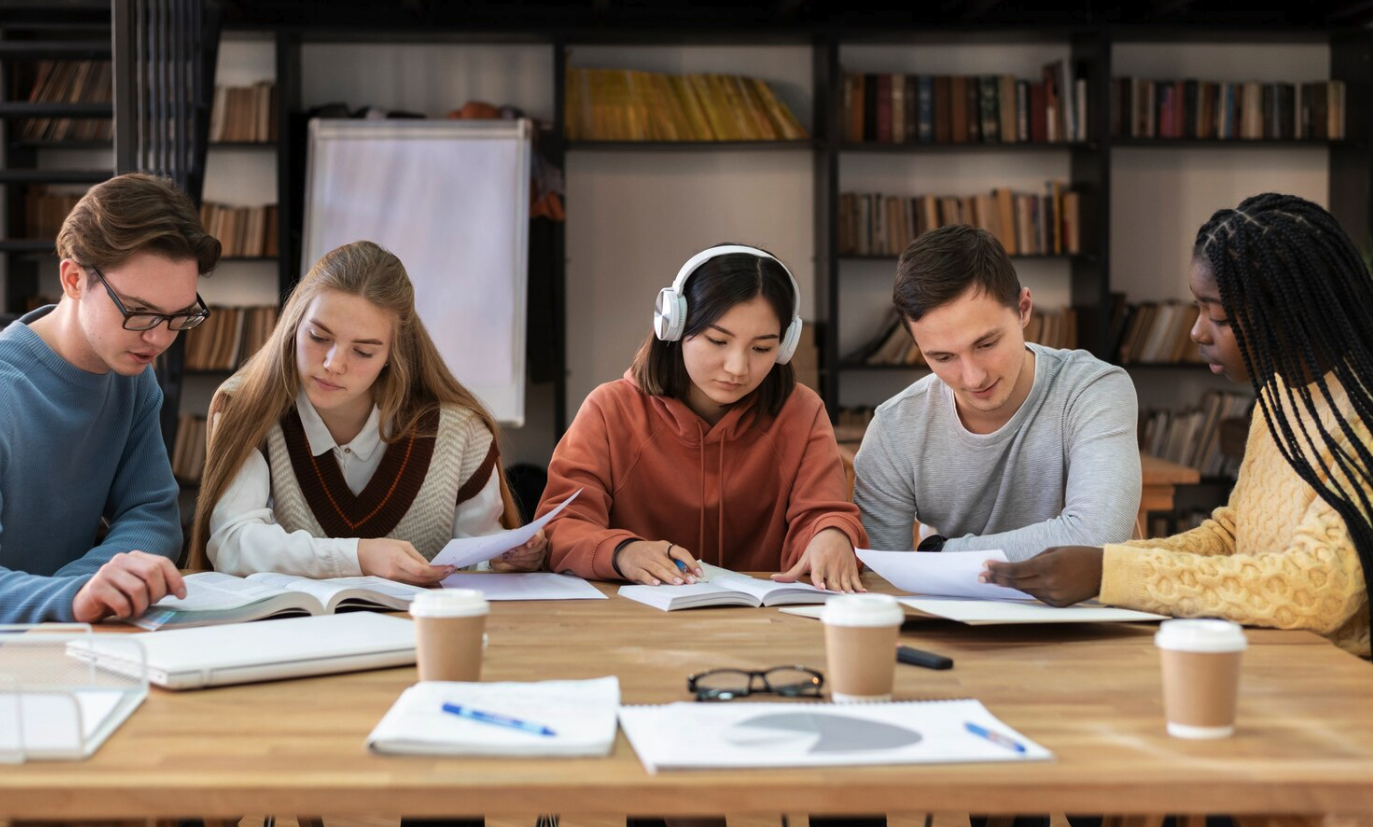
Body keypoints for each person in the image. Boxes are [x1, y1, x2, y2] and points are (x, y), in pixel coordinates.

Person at [984, 193, 1371, 659]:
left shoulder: (1361, 421)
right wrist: (1109, 563)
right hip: (1264, 661)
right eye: (1198, 308)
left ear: (1294, 313)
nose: (1197, 332)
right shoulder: (1279, 397)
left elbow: (1315, 591)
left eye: (1219, 317)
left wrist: (1112, 575)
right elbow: (1234, 536)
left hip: (1335, 686)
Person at [190, 240, 544, 582]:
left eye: (363, 352)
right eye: (318, 336)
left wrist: (506, 559)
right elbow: (232, 542)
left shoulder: (459, 431)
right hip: (287, 635)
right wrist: (359, 556)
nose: (333, 364)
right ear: (294, 324)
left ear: (394, 354)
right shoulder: (246, 406)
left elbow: (477, 559)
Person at [538, 243, 867, 591]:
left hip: (767, 625)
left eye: (762, 348)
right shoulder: (609, 410)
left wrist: (831, 534)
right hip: (636, 622)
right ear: (674, 326)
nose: (738, 368)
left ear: (784, 347)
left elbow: (821, 512)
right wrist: (622, 551)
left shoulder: (801, 412)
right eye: (717, 340)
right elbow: (560, 525)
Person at [0, 172, 219, 623]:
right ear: (74, 279)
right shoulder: (8, 390)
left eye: (178, 316)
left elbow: (154, 517)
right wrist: (74, 594)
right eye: (139, 313)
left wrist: (90, 588)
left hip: (73, 642)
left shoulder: (133, 379)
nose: (159, 338)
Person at [854, 224, 1141, 558]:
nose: (973, 378)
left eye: (986, 343)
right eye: (943, 357)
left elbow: (1098, 536)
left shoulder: (1093, 390)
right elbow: (881, 573)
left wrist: (941, 554)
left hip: (1080, 610)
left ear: (1023, 309)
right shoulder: (894, 429)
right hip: (952, 608)